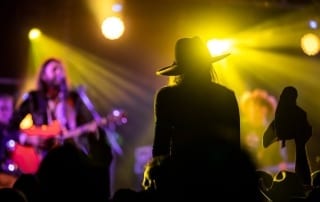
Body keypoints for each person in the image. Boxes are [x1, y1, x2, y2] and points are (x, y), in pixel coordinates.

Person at [8, 57, 113, 199]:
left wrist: (91, 128)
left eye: (61, 69)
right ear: (44, 76)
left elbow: (78, 128)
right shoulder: (33, 99)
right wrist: (29, 139)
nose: (59, 72)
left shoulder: (73, 98)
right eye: (54, 69)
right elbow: (10, 126)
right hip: (40, 160)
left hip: (67, 160)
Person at [153, 36, 240, 158]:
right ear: (207, 65)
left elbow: (161, 146)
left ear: (180, 69)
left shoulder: (167, 96)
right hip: (217, 173)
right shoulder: (226, 95)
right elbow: (234, 145)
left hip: (181, 171)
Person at [263, 86, 312, 186]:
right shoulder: (279, 121)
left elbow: (266, 142)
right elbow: (265, 143)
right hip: (280, 171)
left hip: (294, 167)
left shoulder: (299, 115)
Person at [239, 88, 289, 172]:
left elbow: (280, 160)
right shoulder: (240, 127)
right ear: (247, 108)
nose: (256, 108)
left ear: (267, 109)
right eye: (253, 105)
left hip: (266, 175)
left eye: (261, 105)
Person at [0, 93, 21, 187]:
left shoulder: (15, 132)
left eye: (7, 108)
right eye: (1, 108)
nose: (3, 112)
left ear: (12, 111)